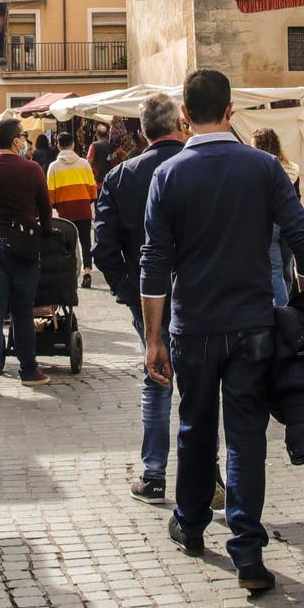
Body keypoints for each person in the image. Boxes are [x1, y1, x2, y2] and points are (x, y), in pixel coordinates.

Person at [140, 69, 304, 596]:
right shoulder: (263, 168)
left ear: (184, 115)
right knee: (245, 436)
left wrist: (154, 336)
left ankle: (191, 525)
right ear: (230, 111)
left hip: (193, 325)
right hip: (252, 326)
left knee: (195, 429)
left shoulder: (168, 176)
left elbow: (154, 262)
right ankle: (247, 549)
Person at [91, 94, 186, 503]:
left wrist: (130, 292)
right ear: (179, 124)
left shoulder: (120, 176)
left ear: (144, 131)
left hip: (148, 298)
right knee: (200, 386)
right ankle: (209, 473)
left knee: (156, 378)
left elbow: (103, 248)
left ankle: (154, 473)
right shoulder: (198, 165)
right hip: (200, 295)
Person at [0, 116, 53, 391]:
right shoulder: (32, 170)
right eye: (23, 137)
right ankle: (28, 369)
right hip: (23, 245)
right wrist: (45, 234)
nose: (26, 141)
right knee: (22, 310)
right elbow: (44, 210)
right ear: (17, 141)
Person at [250, 128, 300, 307]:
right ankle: (288, 307)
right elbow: (297, 199)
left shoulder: (256, 168)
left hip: (269, 223)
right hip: (289, 222)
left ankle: (282, 311)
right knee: (287, 270)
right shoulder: (292, 168)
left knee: (275, 270)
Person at [47, 130, 97, 287]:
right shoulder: (84, 164)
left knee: (66, 243)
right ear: (73, 144)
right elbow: (92, 189)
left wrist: (57, 205)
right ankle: (87, 271)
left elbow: (50, 195)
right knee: (85, 241)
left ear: (58, 146)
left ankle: (69, 274)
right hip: (83, 209)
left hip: (64, 212)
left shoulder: (53, 167)